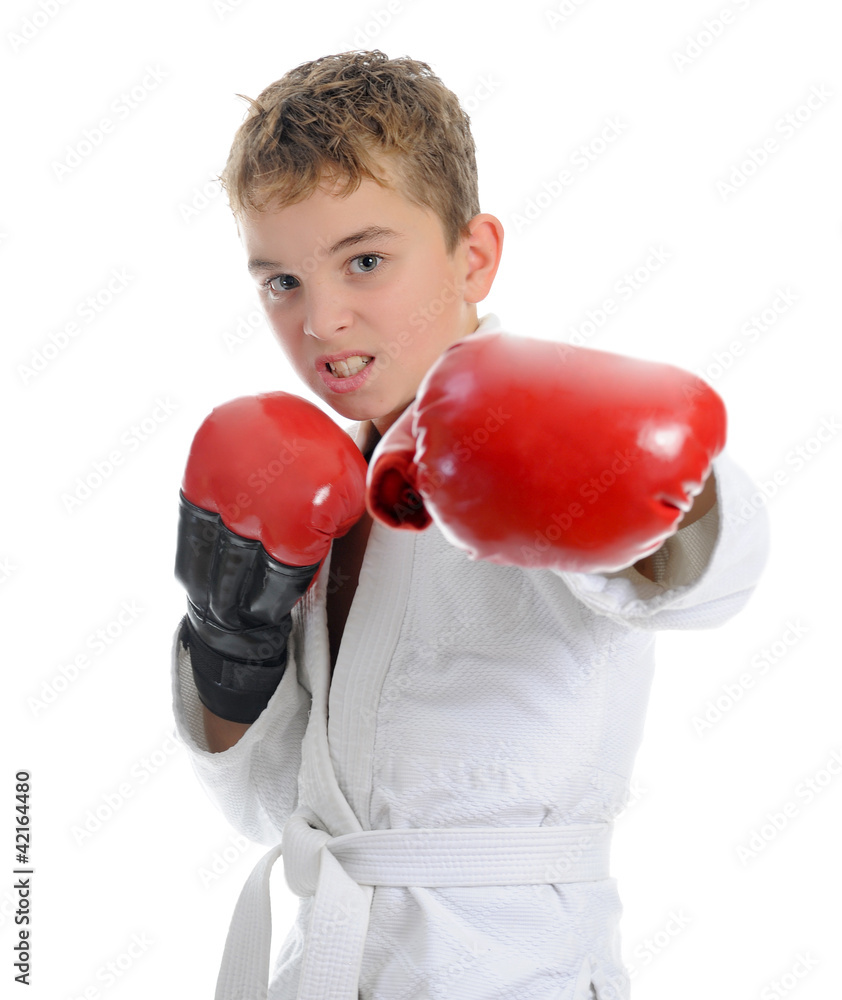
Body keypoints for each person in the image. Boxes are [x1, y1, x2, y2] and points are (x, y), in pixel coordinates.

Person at [171, 50, 770, 1000]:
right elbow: (271, 809)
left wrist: (668, 488)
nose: (321, 319)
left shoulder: (533, 425)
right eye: (280, 281)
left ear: (473, 256)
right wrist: (226, 636)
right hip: (321, 961)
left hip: (514, 969)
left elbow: (715, 572)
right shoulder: (318, 481)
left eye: (365, 260)